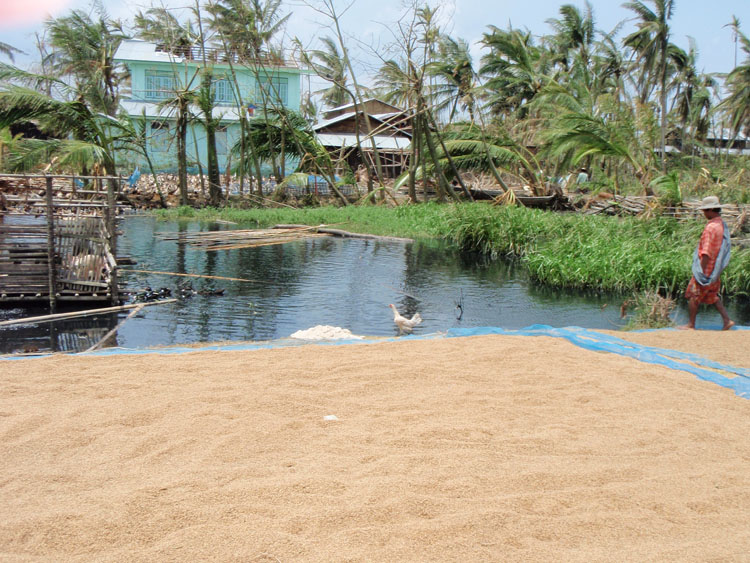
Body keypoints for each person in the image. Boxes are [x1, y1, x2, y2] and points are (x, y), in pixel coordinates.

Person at [680, 195, 735, 330]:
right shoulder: (721, 225)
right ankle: (727, 320)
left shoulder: (711, 228)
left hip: (707, 268)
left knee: (693, 294)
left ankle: (691, 324)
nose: (704, 214)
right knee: (712, 295)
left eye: (705, 211)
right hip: (715, 268)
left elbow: (706, 252)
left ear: (710, 209)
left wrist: (701, 271)